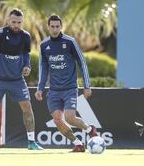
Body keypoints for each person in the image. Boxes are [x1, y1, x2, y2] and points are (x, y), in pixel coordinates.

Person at [0, 8, 42, 150]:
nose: (16, 25)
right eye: (14, 22)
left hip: (17, 80)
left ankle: (31, 142)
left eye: (19, 22)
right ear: (8, 21)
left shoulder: (26, 36)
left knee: (27, 107)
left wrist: (27, 66)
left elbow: (26, 54)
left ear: (22, 22)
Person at [35, 15, 98, 152]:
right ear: (48, 27)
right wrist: (40, 88)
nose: (55, 29)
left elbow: (82, 62)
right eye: (52, 26)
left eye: (57, 26)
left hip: (70, 88)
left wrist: (87, 85)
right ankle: (78, 144)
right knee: (58, 120)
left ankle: (90, 129)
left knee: (70, 117)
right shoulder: (44, 45)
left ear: (61, 26)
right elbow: (43, 68)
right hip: (53, 90)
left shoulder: (70, 42)